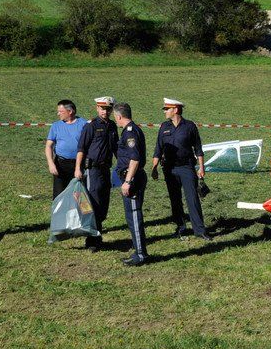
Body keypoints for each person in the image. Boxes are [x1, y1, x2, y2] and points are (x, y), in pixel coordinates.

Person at [151, 98, 211, 241]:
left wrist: (201, 167)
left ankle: (200, 230)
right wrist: (154, 167)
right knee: (175, 200)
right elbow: (158, 149)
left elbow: (198, 148)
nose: (165, 111)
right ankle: (181, 228)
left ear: (176, 110)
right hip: (169, 169)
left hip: (186, 167)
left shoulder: (190, 126)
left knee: (193, 199)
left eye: (167, 109)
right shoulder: (163, 127)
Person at [75, 96, 118, 252]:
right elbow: (81, 148)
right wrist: (77, 168)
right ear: (97, 108)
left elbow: (116, 148)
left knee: (104, 204)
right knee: (93, 204)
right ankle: (92, 239)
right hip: (92, 170)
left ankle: (96, 235)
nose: (105, 111)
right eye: (102, 108)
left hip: (106, 170)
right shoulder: (91, 125)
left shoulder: (112, 126)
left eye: (108, 109)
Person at [112, 102, 148, 266]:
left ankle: (140, 254)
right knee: (131, 216)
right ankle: (138, 250)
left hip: (132, 179)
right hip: (131, 177)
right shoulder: (131, 130)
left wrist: (127, 181)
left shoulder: (130, 132)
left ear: (119, 116)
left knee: (134, 216)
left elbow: (134, 159)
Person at [45, 99, 86, 199]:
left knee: (78, 197)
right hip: (61, 164)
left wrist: (78, 168)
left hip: (79, 165)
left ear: (70, 111)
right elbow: (48, 146)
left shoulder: (84, 124)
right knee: (59, 196)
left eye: (61, 111)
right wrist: (51, 163)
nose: (58, 114)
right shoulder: (56, 126)